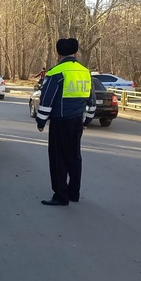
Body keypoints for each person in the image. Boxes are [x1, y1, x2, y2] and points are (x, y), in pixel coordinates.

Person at [35, 38, 96, 206]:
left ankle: (61, 195)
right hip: (77, 121)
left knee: (58, 158)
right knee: (74, 157)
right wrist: (88, 119)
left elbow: (47, 99)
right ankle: (73, 192)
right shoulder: (84, 71)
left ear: (58, 53)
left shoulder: (56, 72)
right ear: (76, 52)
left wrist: (41, 121)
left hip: (60, 121)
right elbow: (92, 98)